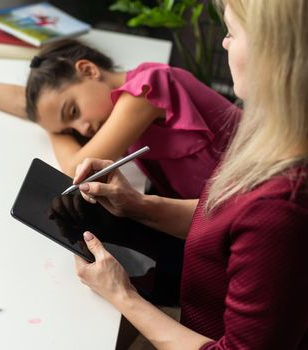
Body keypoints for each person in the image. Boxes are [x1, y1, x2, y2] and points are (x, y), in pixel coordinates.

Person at [72, 0, 308, 348]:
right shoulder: (277, 135)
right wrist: (139, 205)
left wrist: (123, 296)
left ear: (274, 51)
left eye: (231, 32)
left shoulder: (284, 205)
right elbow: (231, 222)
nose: (224, 43)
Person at [0, 39, 239, 199]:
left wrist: (48, 125)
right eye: (69, 128)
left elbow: (77, 169)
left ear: (88, 70)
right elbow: (38, 106)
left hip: (266, 193)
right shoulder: (110, 104)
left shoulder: (146, 90)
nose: (81, 128)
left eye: (73, 113)